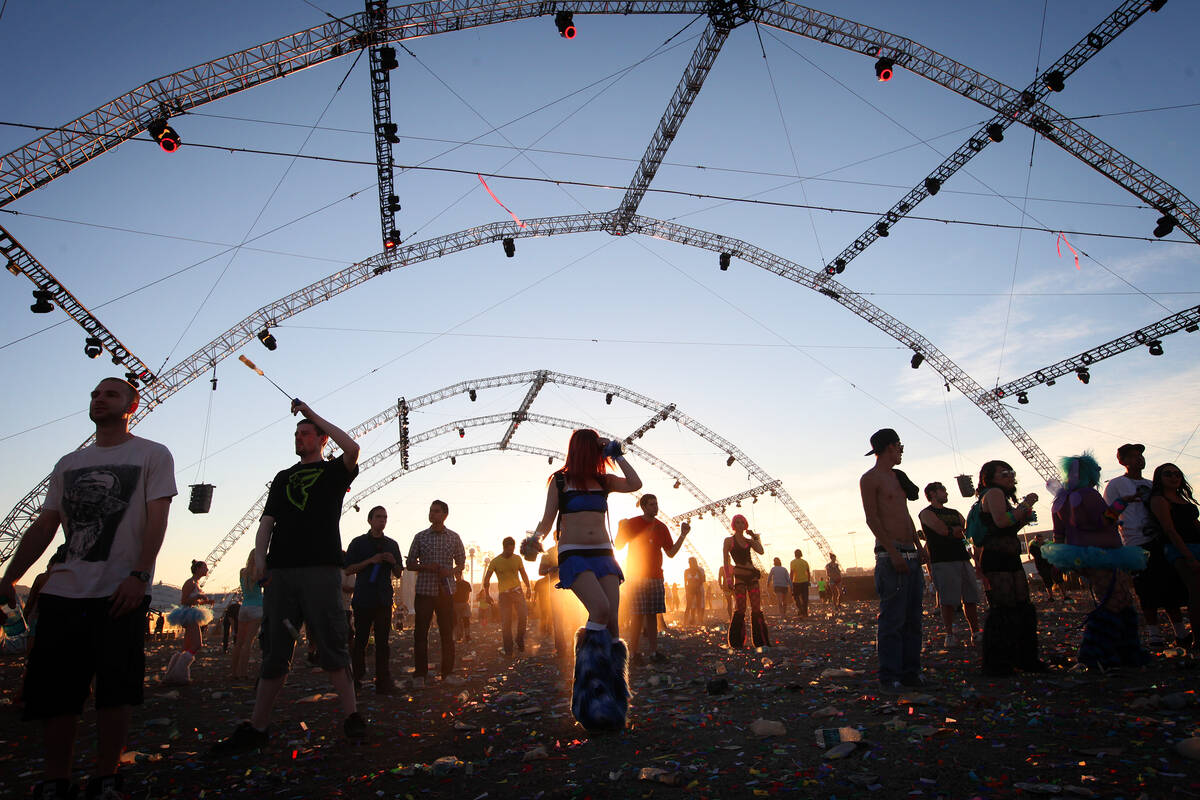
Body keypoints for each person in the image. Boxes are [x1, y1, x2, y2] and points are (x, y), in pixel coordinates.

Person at [0, 377, 175, 799]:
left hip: (119, 592)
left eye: (110, 394)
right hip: (65, 591)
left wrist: (138, 575)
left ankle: (105, 775)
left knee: (116, 692)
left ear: (131, 405)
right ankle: (56, 778)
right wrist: (11, 576)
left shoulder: (152, 454)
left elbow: (157, 518)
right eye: (95, 394)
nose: (99, 399)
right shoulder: (68, 463)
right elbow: (45, 524)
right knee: (55, 695)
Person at [212, 400, 363, 754]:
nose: (299, 437)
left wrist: (311, 412)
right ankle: (258, 725)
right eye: (297, 433)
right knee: (275, 648)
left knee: (332, 642)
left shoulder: (333, 473)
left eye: (306, 432)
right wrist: (260, 558)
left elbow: (353, 447)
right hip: (281, 572)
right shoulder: (283, 478)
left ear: (321, 438)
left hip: (321, 569)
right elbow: (267, 522)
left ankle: (352, 716)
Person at [529, 429, 642, 731]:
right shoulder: (560, 480)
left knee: (614, 625)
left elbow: (635, 483)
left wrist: (615, 453)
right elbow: (546, 519)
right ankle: (587, 697)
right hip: (574, 553)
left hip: (605, 553)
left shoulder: (603, 480)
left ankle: (613, 701)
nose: (598, 451)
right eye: (594, 446)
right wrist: (534, 541)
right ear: (582, 448)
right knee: (600, 610)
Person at [1042, 453, 1149, 670]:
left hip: (1080, 555)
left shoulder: (1060, 500)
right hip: (1104, 552)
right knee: (1116, 600)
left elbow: (1058, 534)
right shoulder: (1088, 494)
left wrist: (1057, 563)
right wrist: (1121, 504)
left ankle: (1117, 653)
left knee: (1115, 599)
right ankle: (1100, 655)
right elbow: (1105, 521)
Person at [859, 428, 929, 691]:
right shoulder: (870, 479)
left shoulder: (898, 478)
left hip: (910, 553)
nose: (901, 451)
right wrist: (893, 550)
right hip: (891, 556)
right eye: (899, 446)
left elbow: (905, 514)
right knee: (892, 620)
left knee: (913, 620)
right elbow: (872, 517)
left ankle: (911, 671)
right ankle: (891, 675)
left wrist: (918, 545)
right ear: (890, 447)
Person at [1104, 444, 1189, 649]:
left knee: (1170, 587)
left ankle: (1180, 631)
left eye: (1140, 455)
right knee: (1147, 590)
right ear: (1122, 461)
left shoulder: (1152, 485)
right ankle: (1155, 635)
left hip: (1160, 540)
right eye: (1133, 456)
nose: (1138, 459)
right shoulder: (1115, 485)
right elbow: (1108, 518)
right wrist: (1123, 503)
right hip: (1136, 543)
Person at [974, 460, 1045, 676]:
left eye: (1011, 472)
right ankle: (1002, 662)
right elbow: (1002, 522)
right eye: (1004, 473)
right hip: (997, 557)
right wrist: (1025, 504)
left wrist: (1022, 518)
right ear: (991, 478)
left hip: (1008, 555)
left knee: (1019, 605)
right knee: (1005, 608)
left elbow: (1005, 527)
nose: (1010, 477)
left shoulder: (999, 495)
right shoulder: (994, 493)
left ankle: (1019, 658)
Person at [615, 495, 688, 664]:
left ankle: (653, 652)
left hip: (655, 577)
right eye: (652, 504)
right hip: (636, 577)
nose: (656, 507)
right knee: (637, 616)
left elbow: (670, 553)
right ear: (643, 507)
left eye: (656, 504)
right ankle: (634, 654)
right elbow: (618, 545)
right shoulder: (632, 523)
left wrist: (683, 535)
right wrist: (620, 528)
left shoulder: (662, 527)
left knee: (652, 616)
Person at [406, 500, 466, 686]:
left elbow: (462, 563)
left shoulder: (454, 538)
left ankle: (447, 673)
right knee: (421, 634)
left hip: (445, 592)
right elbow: (409, 564)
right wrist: (426, 567)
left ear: (445, 514)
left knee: (447, 633)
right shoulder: (420, 537)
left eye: (436, 511)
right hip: (424, 591)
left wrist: (451, 571)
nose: (432, 514)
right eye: (431, 511)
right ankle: (420, 675)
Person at [344, 506, 403, 694]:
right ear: (369, 520)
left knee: (383, 642)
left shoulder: (392, 545)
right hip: (363, 598)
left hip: (384, 599)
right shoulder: (359, 543)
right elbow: (348, 569)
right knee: (360, 639)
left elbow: (399, 573)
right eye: (378, 517)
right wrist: (370, 561)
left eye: (385, 517)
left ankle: (383, 680)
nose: (382, 520)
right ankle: (355, 679)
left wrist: (393, 562)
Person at [918, 482, 981, 649]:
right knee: (948, 600)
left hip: (962, 558)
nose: (946, 493)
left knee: (970, 598)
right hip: (942, 560)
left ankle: (975, 632)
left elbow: (967, 533)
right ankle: (949, 634)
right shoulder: (926, 513)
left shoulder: (954, 512)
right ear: (932, 493)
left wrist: (972, 554)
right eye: (942, 490)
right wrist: (956, 530)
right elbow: (943, 530)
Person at [1148, 463, 1200, 652]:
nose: (1174, 477)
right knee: (1196, 592)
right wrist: (1188, 556)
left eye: (1177, 473)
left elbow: (1194, 523)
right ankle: (1197, 641)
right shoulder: (1159, 500)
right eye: (1168, 474)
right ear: (1159, 478)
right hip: (1178, 549)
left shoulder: (1181, 498)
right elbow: (1169, 530)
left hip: (1196, 544)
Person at [164, 559, 214, 684]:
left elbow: (192, 600)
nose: (207, 570)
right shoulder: (190, 583)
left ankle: (172, 674)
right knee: (197, 644)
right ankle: (180, 674)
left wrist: (205, 602)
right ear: (197, 569)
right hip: (189, 614)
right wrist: (198, 597)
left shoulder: (195, 583)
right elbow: (184, 601)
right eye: (204, 567)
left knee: (186, 647)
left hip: (191, 613)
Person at [481, 536, 533, 656]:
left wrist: (528, 587)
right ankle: (508, 650)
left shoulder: (517, 558)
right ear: (504, 548)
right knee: (506, 622)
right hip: (504, 595)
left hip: (517, 592)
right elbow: (487, 578)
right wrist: (487, 594)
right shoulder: (495, 561)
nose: (511, 552)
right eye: (509, 550)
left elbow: (524, 574)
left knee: (523, 616)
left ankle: (519, 638)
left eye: (513, 549)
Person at [722, 515, 767, 648]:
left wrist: (754, 537)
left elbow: (761, 551)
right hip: (739, 576)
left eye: (742, 522)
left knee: (756, 608)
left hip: (752, 575)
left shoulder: (749, 541)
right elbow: (725, 561)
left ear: (745, 525)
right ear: (733, 525)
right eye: (737, 522)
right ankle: (736, 642)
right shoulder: (729, 541)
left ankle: (760, 641)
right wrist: (728, 578)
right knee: (740, 608)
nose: (740, 524)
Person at [231, 550, 264, 680]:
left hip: (243, 608)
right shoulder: (260, 572)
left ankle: (233, 672)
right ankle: (243, 672)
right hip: (256, 608)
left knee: (239, 642)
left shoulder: (242, 572)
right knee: (248, 643)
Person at [1027, 534, 1059, 601]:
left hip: (1050, 564)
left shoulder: (1047, 545)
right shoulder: (1033, 547)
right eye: (1038, 539)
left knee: (1058, 579)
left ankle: (1064, 595)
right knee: (1046, 580)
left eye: (1041, 539)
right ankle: (1051, 597)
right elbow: (1037, 555)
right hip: (1041, 566)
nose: (1040, 540)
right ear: (1035, 540)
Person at [683, 557, 706, 626]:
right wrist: (686, 590)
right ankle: (686, 622)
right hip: (690, 590)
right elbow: (685, 582)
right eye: (690, 563)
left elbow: (703, 580)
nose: (691, 564)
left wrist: (697, 586)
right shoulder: (686, 571)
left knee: (699, 605)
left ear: (695, 562)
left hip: (698, 589)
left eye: (692, 562)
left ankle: (700, 620)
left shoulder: (700, 570)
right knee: (689, 606)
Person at [789, 549, 811, 618]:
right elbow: (808, 572)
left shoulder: (792, 562)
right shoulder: (805, 562)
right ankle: (805, 612)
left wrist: (791, 582)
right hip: (804, 582)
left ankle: (800, 609)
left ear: (795, 554)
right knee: (805, 598)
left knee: (796, 597)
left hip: (796, 582)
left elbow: (792, 573)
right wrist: (808, 581)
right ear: (801, 554)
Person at [454, 570, 472, 643]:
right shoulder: (454, 584)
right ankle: (459, 636)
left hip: (464, 603)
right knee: (457, 621)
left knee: (466, 620)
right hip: (456, 604)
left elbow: (468, 593)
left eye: (457, 574)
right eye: (455, 574)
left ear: (460, 574)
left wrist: (466, 601)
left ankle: (467, 635)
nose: (456, 576)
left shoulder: (466, 583)